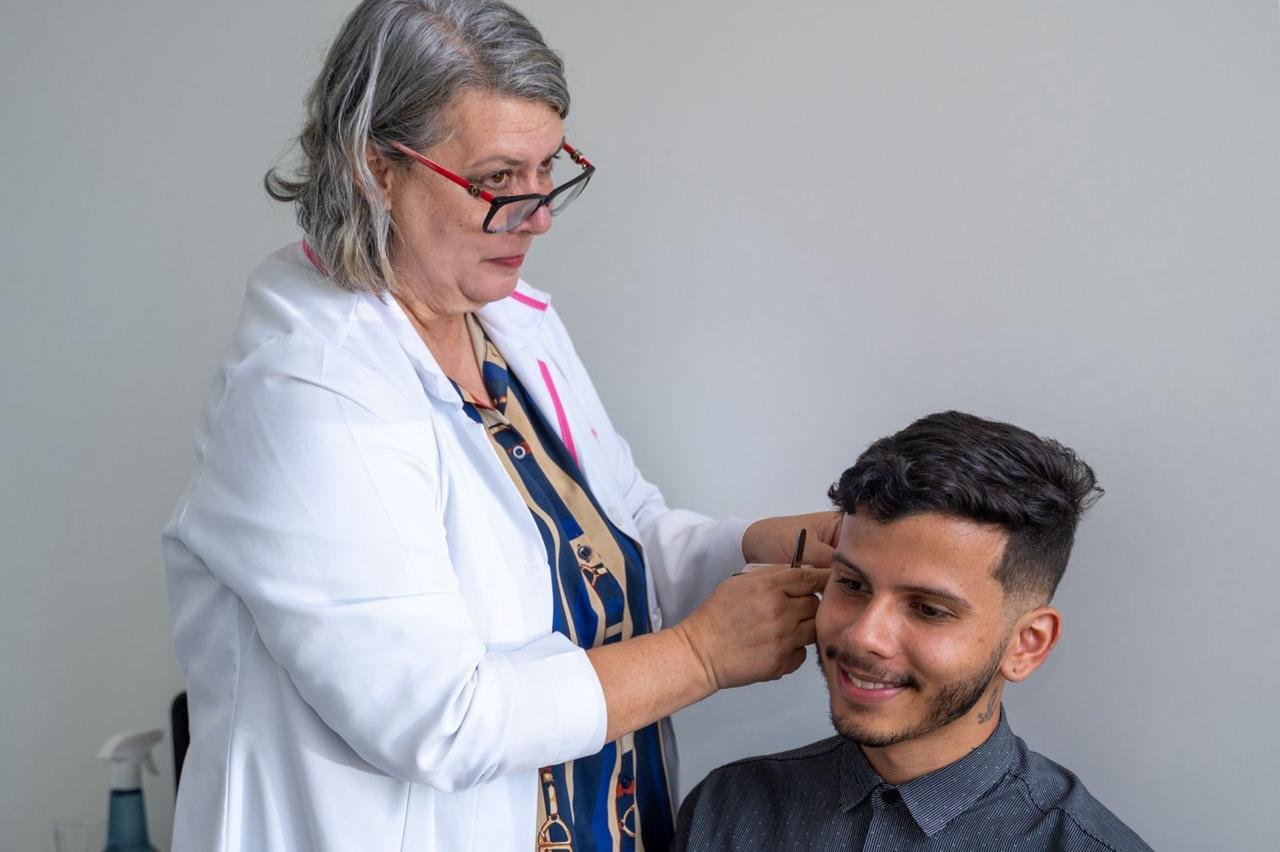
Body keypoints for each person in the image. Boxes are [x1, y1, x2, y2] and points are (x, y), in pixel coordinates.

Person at [161, 2, 834, 850]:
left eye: (548, 168)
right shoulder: (310, 390)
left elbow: (614, 539)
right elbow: (437, 720)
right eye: (498, 178)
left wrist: (760, 544)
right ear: (376, 169)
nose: (538, 213)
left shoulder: (507, 320)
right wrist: (701, 656)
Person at [674, 411, 1152, 851]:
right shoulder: (729, 809)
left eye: (928, 609)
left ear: (1027, 645)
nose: (863, 637)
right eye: (852, 584)